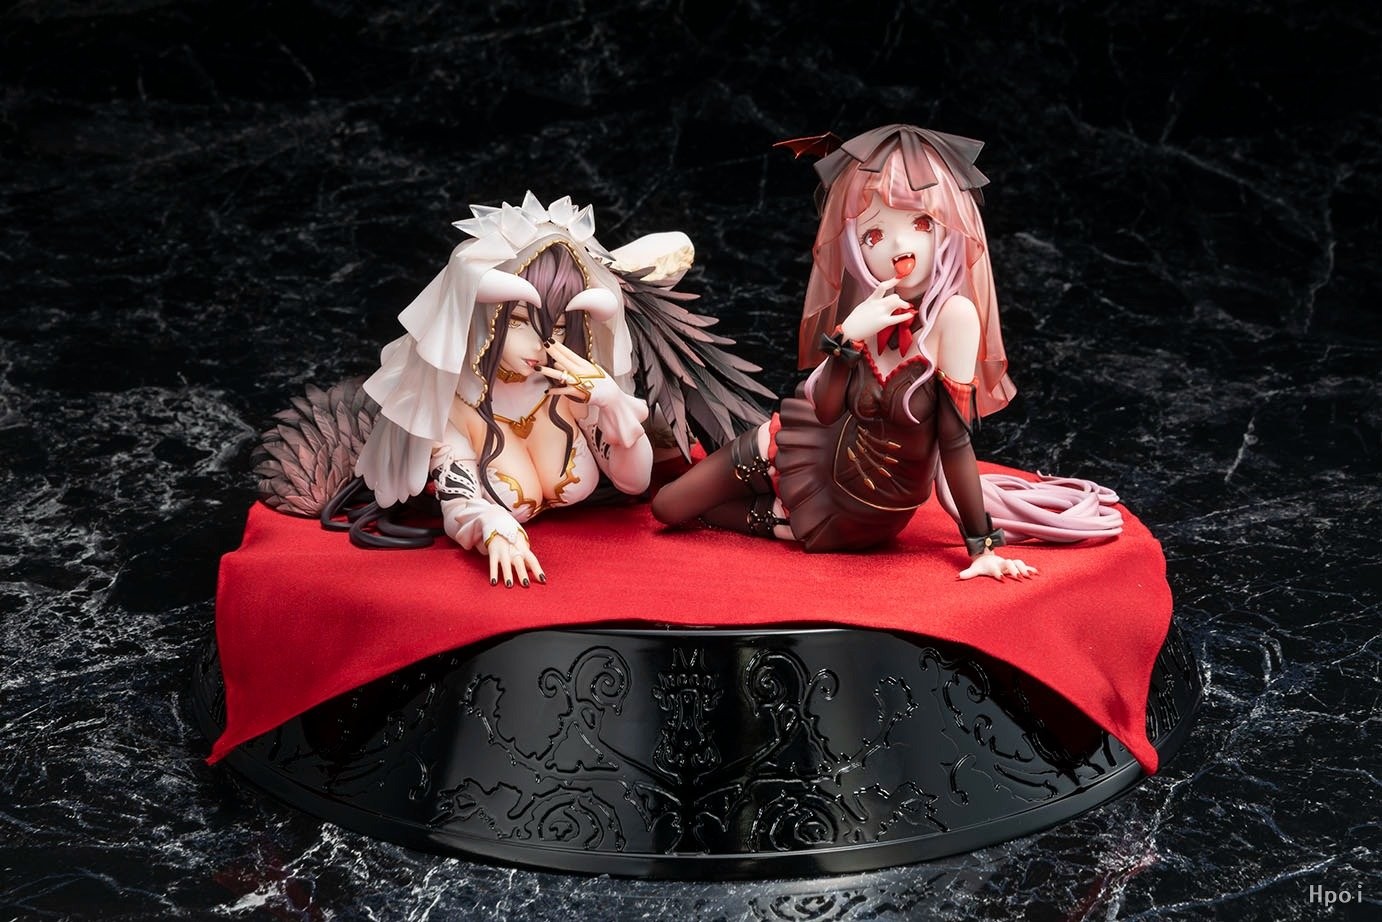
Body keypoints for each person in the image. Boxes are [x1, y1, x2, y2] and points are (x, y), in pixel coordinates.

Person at [652, 125, 1068, 580]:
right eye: (874, 235)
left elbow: (955, 443)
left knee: (704, 511)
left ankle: (767, 505)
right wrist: (848, 338)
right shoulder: (870, 308)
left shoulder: (956, 317)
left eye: (921, 223)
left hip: (863, 510)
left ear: (948, 229)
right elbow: (827, 410)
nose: (899, 248)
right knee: (669, 506)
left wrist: (982, 547)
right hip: (811, 445)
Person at [340, 193, 769, 586]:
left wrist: (611, 403)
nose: (542, 344)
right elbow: (460, 501)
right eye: (518, 322)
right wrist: (495, 529)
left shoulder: (570, 387)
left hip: (615, 579)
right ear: (483, 322)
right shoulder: (453, 408)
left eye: (559, 326)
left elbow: (633, 481)